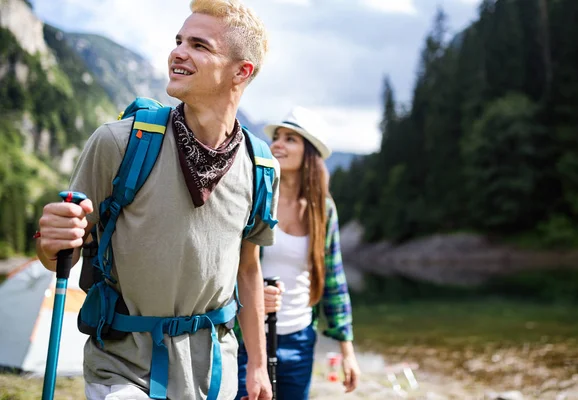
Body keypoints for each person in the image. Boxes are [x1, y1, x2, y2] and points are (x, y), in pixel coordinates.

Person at [35, 1, 278, 399]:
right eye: (179, 40)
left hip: (215, 370)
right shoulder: (119, 142)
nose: (178, 52)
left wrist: (256, 365)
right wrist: (51, 242)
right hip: (122, 365)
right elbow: (61, 256)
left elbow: (248, 270)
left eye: (200, 45)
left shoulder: (261, 167)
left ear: (241, 71)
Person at [236, 107, 360, 400]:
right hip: (247, 339)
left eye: (290, 139)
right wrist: (251, 296)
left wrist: (347, 349)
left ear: (310, 153)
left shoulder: (323, 210)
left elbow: (334, 280)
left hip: (300, 339)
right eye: (277, 137)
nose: (277, 143)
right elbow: (229, 267)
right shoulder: (255, 197)